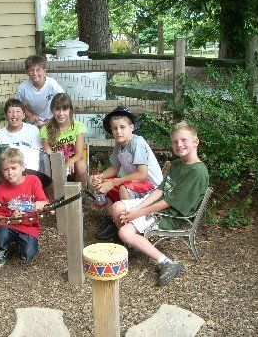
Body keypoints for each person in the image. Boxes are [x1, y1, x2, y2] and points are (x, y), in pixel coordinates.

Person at [112, 121, 209, 286]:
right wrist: (138, 208)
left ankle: (167, 262)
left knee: (125, 233)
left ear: (196, 142)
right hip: (160, 204)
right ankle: (135, 245)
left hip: (173, 214)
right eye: (175, 141)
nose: (179, 145)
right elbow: (161, 190)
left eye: (184, 140)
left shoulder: (197, 172)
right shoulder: (178, 164)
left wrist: (139, 213)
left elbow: (169, 202)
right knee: (117, 207)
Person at [89, 107, 163, 240]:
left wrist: (113, 182)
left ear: (131, 128)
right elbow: (115, 167)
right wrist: (101, 177)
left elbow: (142, 175)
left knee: (124, 188)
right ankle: (116, 219)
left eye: (122, 127)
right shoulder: (119, 144)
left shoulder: (137, 143)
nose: (118, 132)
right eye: (114, 128)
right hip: (135, 183)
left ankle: (128, 226)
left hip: (152, 188)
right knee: (94, 180)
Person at [0, 148, 49, 267]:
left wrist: (41, 203)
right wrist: (10, 217)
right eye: (6, 169)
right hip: (8, 225)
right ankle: (2, 248)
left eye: (13, 168)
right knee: (2, 236)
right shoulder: (0, 190)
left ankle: (22, 245)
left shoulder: (33, 180)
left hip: (28, 227)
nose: (10, 172)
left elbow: (44, 201)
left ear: (22, 167)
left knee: (28, 254)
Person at [40, 93, 87, 187]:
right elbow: (47, 149)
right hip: (55, 161)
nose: (61, 114)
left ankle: (81, 194)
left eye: (64, 109)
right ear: (52, 110)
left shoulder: (78, 127)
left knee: (81, 166)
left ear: (70, 110)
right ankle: (56, 198)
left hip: (73, 162)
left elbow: (79, 154)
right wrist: (58, 163)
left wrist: (70, 161)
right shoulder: (45, 129)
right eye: (57, 109)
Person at [16, 55, 64, 128]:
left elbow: (63, 101)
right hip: (33, 122)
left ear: (44, 71)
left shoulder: (52, 84)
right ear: (27, 72)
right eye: (31, 70)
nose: (35, 73)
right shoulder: (22, 88)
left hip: (52, 120)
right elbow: (17, 104)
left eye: (38, 70)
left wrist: (53, 118)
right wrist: (30, 115)